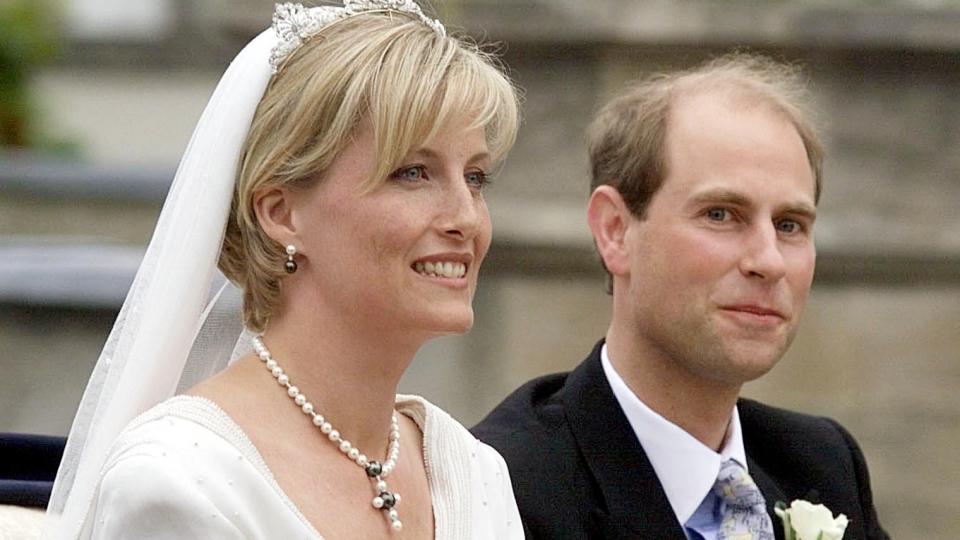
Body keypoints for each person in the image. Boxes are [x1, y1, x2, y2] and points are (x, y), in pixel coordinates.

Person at [42, 1, 523, 538]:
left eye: (476, 177)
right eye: (413, 172)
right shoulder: (180, 480)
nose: (465, 218)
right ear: (281, 214)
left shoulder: (474, 473)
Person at [473, 54, 889, 540]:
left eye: (789, 225)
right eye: (721, 214)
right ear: (615, 231)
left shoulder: (823, 465)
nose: (769, 261)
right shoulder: (502, 486)